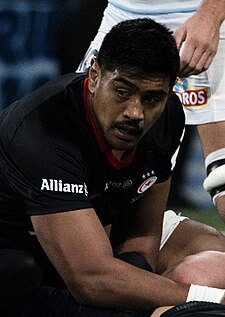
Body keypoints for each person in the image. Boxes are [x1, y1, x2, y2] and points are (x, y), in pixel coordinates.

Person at [1, 18, 225, 317]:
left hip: (91, 232)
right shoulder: (43, 129)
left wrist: (137, 276)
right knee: (20, 273)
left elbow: (142, 227)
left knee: (215, 258)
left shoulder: (168, 114)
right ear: (94, 75)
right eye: (122, 91)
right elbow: (90, 280)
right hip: (23, 254)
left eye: (151, 98)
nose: (135, 112)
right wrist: (208, 299)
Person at [77, 0, 225, 219]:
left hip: (199, 19)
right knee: (80, 165)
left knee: (222, 175)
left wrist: (211, 15)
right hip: (122, 16)